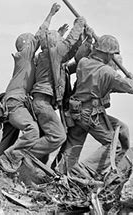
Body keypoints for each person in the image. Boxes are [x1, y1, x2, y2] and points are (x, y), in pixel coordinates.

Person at [58, 34, 133, 178]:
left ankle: (63, 173)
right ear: (108, 54)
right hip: (91, 114)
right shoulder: (107, 72)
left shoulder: (83, 63)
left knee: (74, 144)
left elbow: (106, 85)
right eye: (112, 55)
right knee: (114, 145)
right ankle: (84, 170)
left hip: (76, 111)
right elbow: (130, 88)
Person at [0, 2, 60, 173]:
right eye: (31, 41)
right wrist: (51, 14)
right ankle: (10, 159)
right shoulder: (24, 56)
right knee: (32, 130)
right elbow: (40, 35)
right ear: (26, 44)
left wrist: (58, 35)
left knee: (7, 140)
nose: (35, 43)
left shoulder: (28, 60)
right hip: (15, 102)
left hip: (14, 102)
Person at [27, 14, 87, 163]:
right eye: (59, 41)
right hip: (42, 103)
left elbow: (71, 52)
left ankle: (31, 167)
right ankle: (21, 154)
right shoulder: (53, 53)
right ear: (55, 43)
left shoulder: (46, 56)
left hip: (41, 103)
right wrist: (79, 23)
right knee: (58, 136)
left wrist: (83, 39)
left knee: (45, 140)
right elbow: (69, 42)